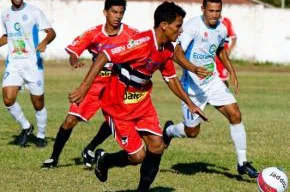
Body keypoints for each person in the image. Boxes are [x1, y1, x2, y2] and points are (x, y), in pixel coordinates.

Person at [69, 2, 207, 191]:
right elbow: (104, 56)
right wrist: (85, 87)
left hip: (141, 103)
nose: (181, 30)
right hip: (116, 105)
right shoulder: (141, 42)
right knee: (137, 156)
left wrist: (190, 103)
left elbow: (171, 79)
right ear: (164, 25)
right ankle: (106, 160)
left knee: (157, 146)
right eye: (178, 25)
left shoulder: (167, 50)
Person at [162, 0, 258, 178]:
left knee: (235, 114)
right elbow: (176, 53)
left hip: (212, 82)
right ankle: (168, 131)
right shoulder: (192, 26)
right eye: (211, 11)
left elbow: (220, 49)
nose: (214, 14)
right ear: (203, 9)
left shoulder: (222, 28)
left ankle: (242, 162)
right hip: (192, 88)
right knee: (192, 132)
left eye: (218, 11)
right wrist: (193, 68)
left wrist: (231, 70)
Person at [42, 0, 138, 169]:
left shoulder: (131, 34)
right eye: (114, 12)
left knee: (113, 121)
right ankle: (53, 158)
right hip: (93, 85)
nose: (118, 16)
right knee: (70, 120)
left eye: (121, 13)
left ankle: (91, 148)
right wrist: (74, 60)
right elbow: (73, 51)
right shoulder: (93, 34)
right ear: (105, 12)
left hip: (117, 87)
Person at [0, 0, 56, 147]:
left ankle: (41, 135)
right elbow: (7, 36)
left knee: (38, 103)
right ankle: (26, 126)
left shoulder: (34, 11)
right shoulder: (5, 14)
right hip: (13, 64)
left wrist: (44, 43)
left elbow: (51, 32)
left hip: (32, 65)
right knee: (7, 99)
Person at [215, 16, 237, 86]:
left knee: (223, 80)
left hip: (222, 56)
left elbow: (234, 38)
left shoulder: (226, 21)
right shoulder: (207, 21)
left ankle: (224, 96)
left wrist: (229, 51)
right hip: (211, 55)